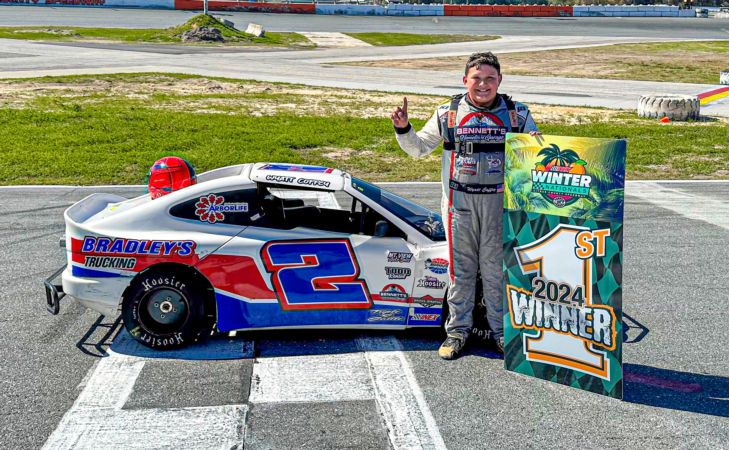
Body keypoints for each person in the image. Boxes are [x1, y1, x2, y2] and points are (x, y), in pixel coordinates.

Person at [390, 52, 538, 360]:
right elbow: (418, 150)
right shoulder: (449, 113)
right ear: (465, 80)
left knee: (497, 272)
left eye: (490, 79)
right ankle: (457, 332)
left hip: (501, 205)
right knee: (460, 272)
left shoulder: (517, 114)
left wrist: (537, 145)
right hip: (460, 205)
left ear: (500, 81)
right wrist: (404, 128)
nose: (483, 85)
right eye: (477, 78)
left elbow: (534, 160)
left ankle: (501, 333)